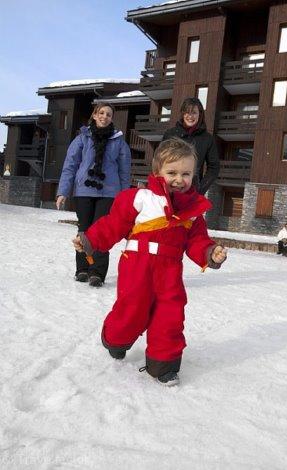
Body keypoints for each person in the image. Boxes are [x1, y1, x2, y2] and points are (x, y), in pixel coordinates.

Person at [72, 138, 228, 386]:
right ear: (158, 172)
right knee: (132, 310)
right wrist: (90, 239)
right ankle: (115, 340)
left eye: (186, 173)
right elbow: (114, 224)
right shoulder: (140, 198)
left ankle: (163, 364)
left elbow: (197, 240)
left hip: (170, 271)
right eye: (172, 172)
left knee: (171, 314)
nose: (179, 179)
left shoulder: (193, 211)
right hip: (138, 266)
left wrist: (210, 252)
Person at [56, 102, 131, 287]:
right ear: (95, 115)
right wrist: (63, 191)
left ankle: (97, 272)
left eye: (108, 114)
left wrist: (125, 197)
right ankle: (82, 268)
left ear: (111, 118)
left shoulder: (119, 141)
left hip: (109, 193)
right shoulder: (82, 138)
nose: (105, 116)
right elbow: (70, 165)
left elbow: (124, 170)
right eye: (101, 113)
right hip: (84, 191)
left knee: (103, 230)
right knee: (84, 229)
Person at [162, 97, 220, 195]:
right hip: (169, 189)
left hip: (191, 191)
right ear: (182, 114)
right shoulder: (170, 134)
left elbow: (214, 167)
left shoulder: (207, 138)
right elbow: (159, 160)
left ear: (200, 114)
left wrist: (200, 190)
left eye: (194, 112)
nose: (190, 116)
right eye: (187, 112)